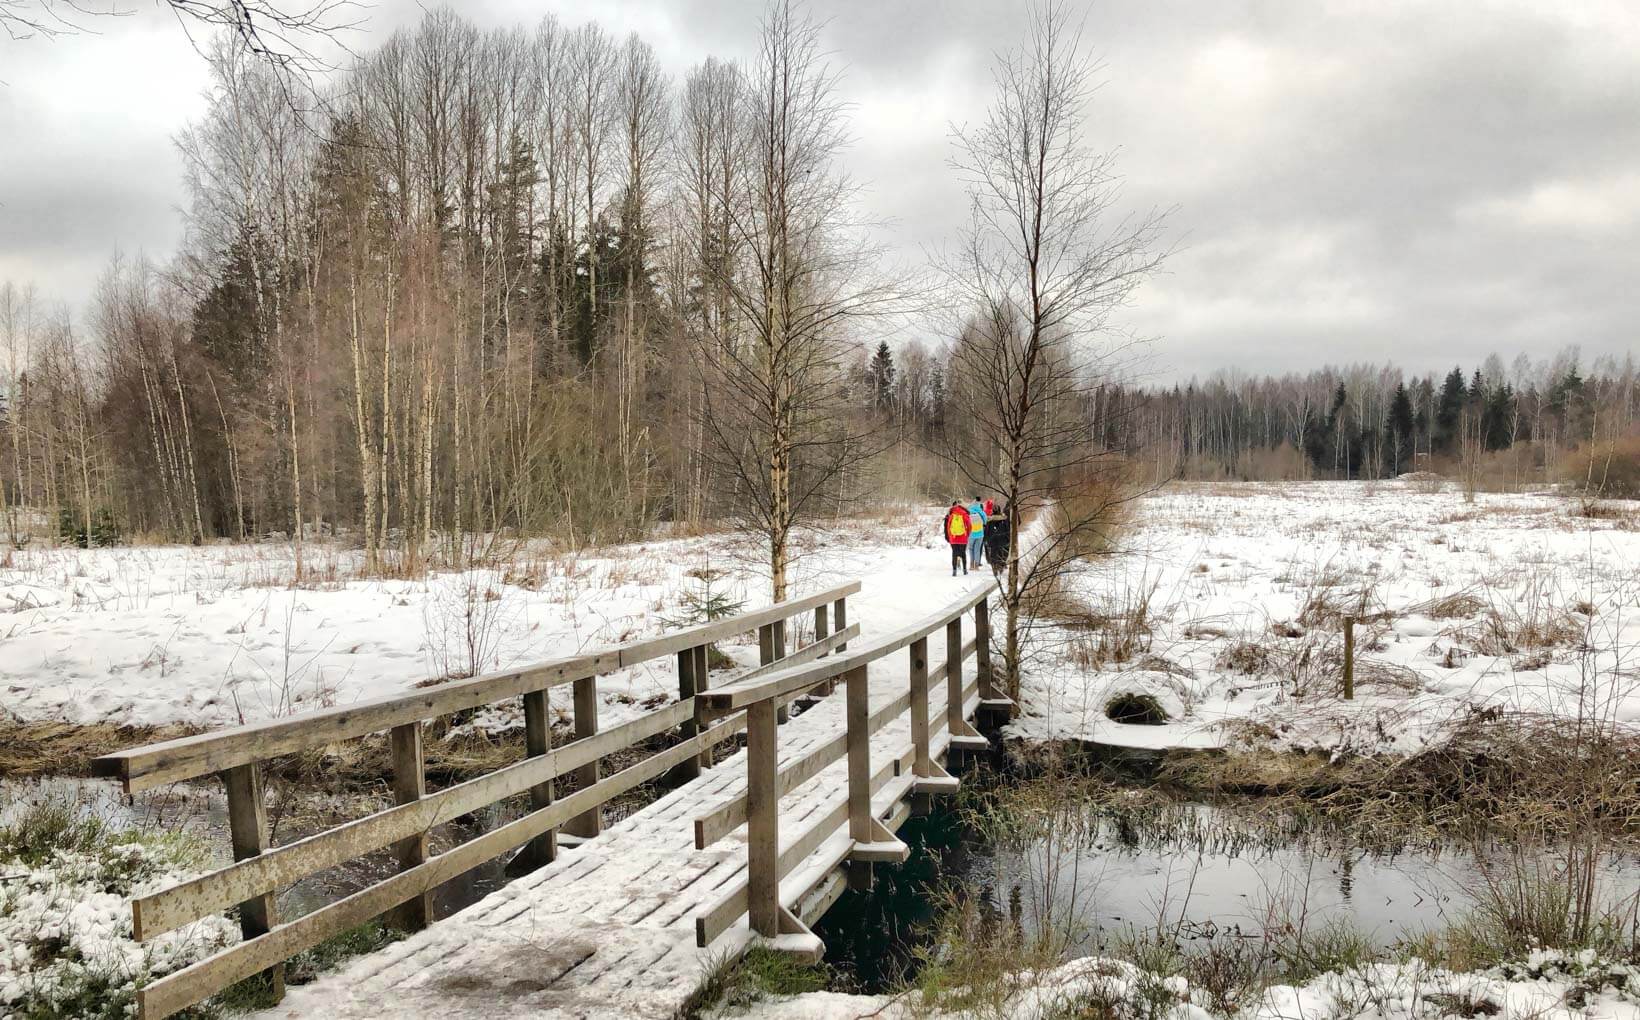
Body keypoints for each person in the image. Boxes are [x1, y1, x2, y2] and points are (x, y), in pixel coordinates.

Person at [943, 500, 970, 576]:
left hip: (954, 538)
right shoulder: (965, 514)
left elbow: (948, 527)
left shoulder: (952, 515)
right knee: (963, 553)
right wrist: (967, 535)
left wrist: (950, 536)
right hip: (963, 538)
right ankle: (965, 570)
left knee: (954, 553)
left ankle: (954, 570)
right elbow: (969, 526)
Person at [984, 500, 1012, 574]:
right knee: (1001, 554)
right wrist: (1008, 538)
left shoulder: (990, 519)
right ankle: (1001, 567)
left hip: (992, 540)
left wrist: (986, 539)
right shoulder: (1004, 519)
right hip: (1002, 540)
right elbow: (1007, 530)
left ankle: (994, 567)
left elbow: (986, 531)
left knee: (993, 554)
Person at [966, 496, 987, 569]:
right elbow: (985, 521)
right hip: (980, 533)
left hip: (971, 534)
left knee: (971, 549)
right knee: (977, 549)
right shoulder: (981, 512)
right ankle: (976, 566)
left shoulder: (969, 511)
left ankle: (971, 565)